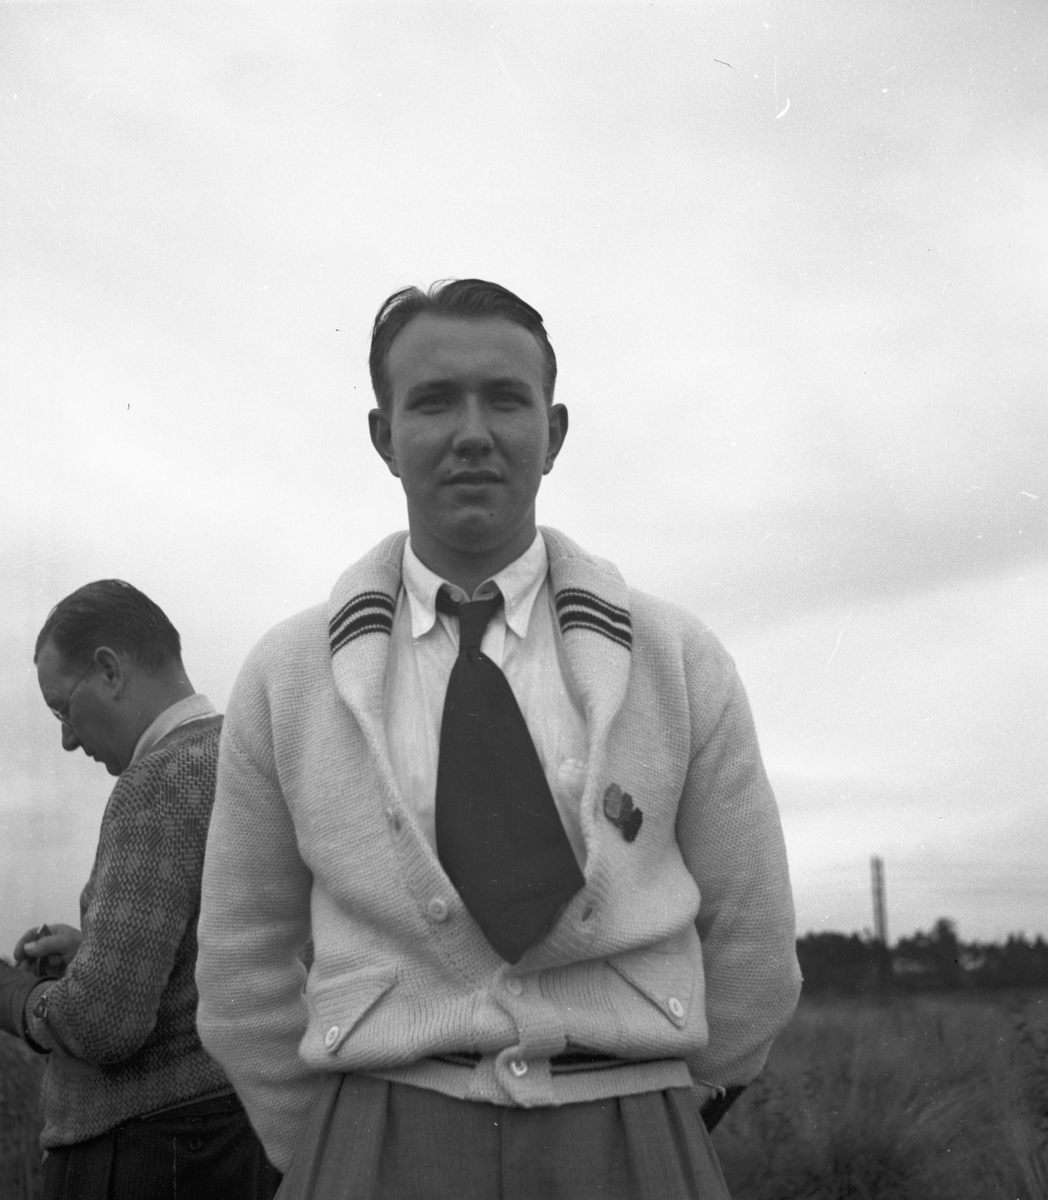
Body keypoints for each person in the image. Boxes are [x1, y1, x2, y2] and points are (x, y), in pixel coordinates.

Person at [194, 279, 801, 1198]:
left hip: (634, 1126)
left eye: (505, 399)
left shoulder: (677, 659)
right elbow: (242, 954)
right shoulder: (288, 676)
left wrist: (665, 1111)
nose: (472, 432)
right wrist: (326, 1151)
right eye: (434, 401)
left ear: (554, 433)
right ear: (383, 436)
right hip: (372, 1133)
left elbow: (753, 935)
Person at [0, 581, 281, 1200]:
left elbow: (104, 1023)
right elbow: (227, 955)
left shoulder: (155, 784)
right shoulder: (252, 758)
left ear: (109, 670)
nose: (67, 739)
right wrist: (97, 949)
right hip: (246, 1139)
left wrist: (18, 997)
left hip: (146, 1155)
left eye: (62, 711)